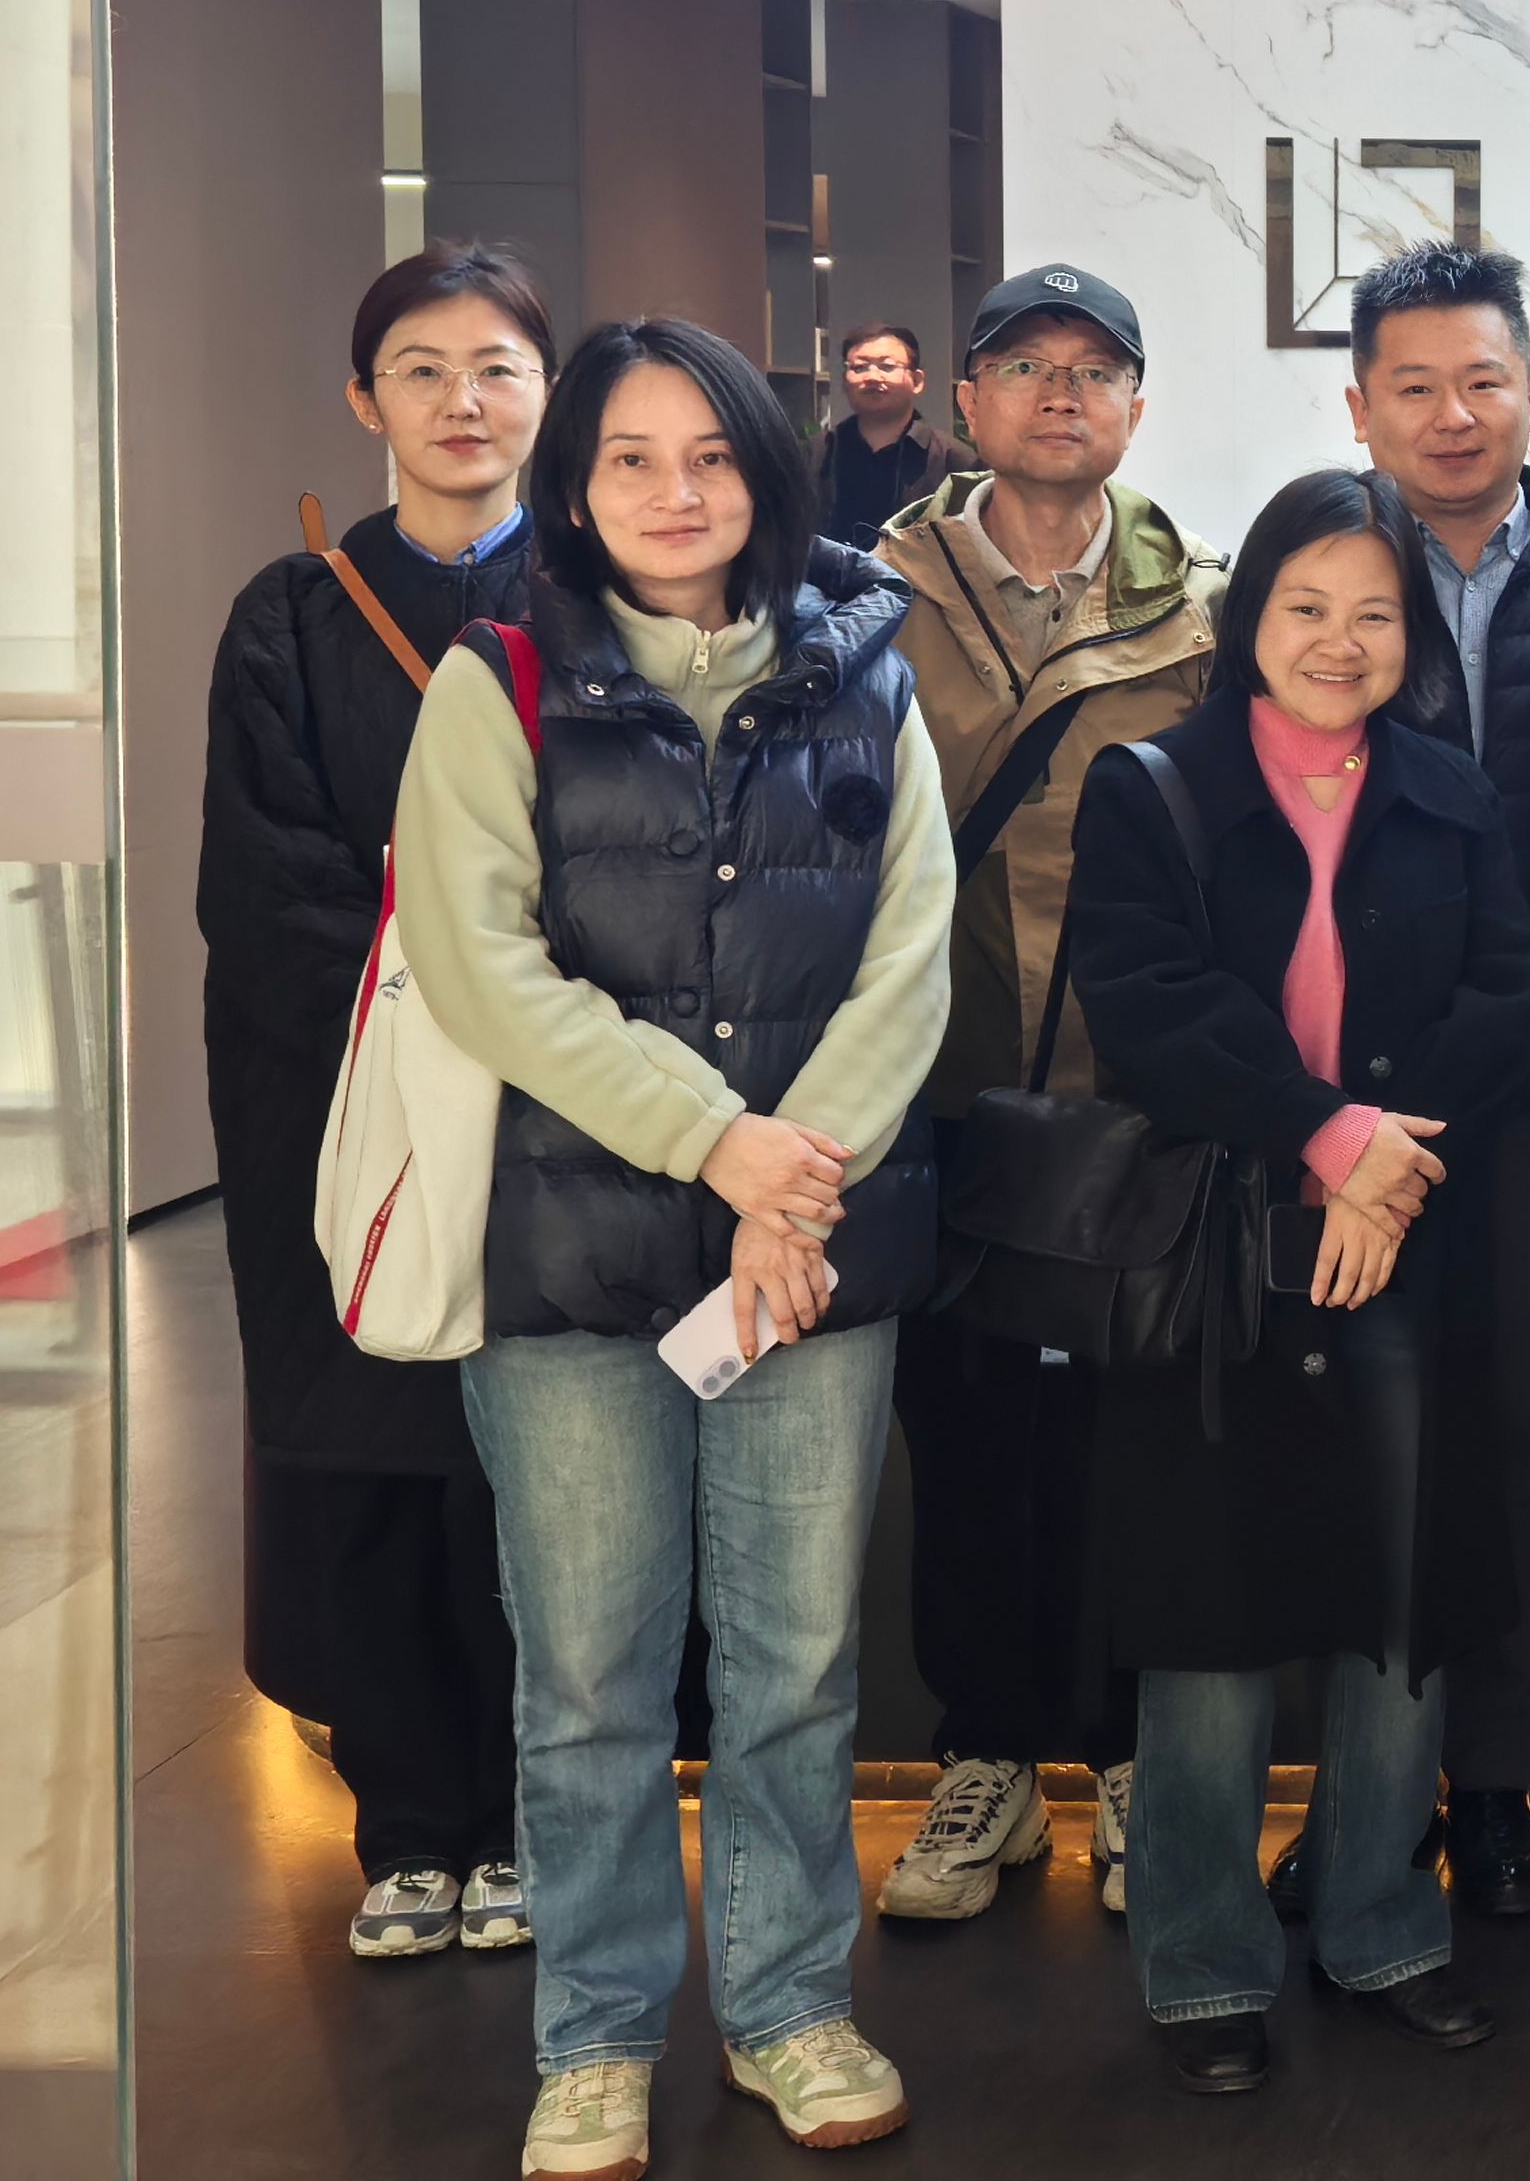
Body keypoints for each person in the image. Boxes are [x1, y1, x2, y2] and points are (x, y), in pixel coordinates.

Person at [395, 317, 953, 2181]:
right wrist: (721, 1144)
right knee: (589, 1679)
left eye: (709, 455)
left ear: (766, 472)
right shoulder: (496, 677)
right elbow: (480, 963)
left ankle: (789, 2004)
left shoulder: (866, 666)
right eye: (629, 458)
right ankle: (598, 2035)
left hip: (811, 1258)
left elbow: (912, 957)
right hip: (569, 1251)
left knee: (798, 1665)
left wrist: (792, 1190)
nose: (672, 493)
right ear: (574, 484)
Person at [1066, 469, 1530, 2095]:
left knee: (1397, 1609)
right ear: (1248, 613)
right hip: (1218, 1245)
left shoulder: (1451, 790)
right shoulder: (1154, 786)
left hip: (1405, 1236)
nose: (1340, 642)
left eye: (1375, 614)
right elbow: (1148, 1000)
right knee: (1210, 1622)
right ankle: (1204, 1962)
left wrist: (1388, 1168)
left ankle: (1380, 1928)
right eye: (1306, 607)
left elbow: (1512, 989)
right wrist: (1324, 1136)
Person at [201, 242, 552, 1965]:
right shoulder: (288, 615)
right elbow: (261, 879)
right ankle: (409, 1826)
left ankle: (536, 1819)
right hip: (346, 1099)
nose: (461, 401)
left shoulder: (603, 598)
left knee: (538, 1465)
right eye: (422, 369)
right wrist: (442, 1004)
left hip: (557, 1097)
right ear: (365, 401)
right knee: (366, 1446)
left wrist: (522, 1016)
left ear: (547, 393)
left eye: (496, 367)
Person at [870, 266, 1223, 1927]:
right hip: (928, 1095)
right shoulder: (869, 597)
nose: (1063, 394)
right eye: (1026, 366)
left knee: (1128, 1452)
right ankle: (988, 1757)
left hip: (1128, 1105)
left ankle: (1133, 1761)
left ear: (1137, 407)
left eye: (1097, 369)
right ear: (968, 401)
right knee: (964, 1442)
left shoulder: (1210, 609)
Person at [1337, 239, 1530, 1917]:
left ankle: (1496, 1783)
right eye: (1415, 385)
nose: (1452, 415)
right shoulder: (1321, 575)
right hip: (1358, 1095)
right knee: (1360, 1441)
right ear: (1360, 406)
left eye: (1481, 381)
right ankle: (1363, 1803)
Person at [817, 323, 962, 551]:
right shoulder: (816, 454)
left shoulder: (954, 461)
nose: (873, 377)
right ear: (845, 381)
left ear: (917, 381)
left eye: (886, 366)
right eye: (860, 367)